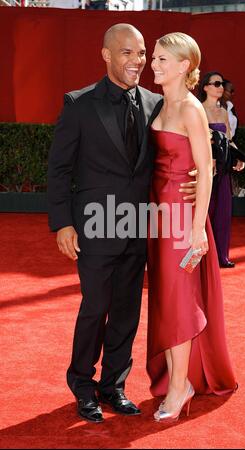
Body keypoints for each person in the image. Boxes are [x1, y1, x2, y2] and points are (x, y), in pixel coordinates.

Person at [47, 23, 195, 423]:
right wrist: (62, 223)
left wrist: (201, 171)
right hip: (94, 226)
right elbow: (59, 168)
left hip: (138, 225)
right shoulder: (79, 104)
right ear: (107, 55)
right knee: (95, 307)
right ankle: (82, 384)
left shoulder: (154, 102)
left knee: (127, 312)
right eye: (128, 53)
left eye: (142, 53)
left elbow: (186, 134)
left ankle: (114, 386)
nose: (138, 61)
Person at [147, 33, 237, 422]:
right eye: (154, 57)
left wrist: (199, 228)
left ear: (184, 66)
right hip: (158, 215)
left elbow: (207, 170)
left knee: (179, 301)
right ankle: (176, 379)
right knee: (166, 299)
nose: (154, 63)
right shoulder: (159, 104)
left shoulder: (190, 109)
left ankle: (181, 384)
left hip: (182, 219)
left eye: (163, 58)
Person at [198, 71, 245, 268]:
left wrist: (238, 157)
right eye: (216, 83)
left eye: (222, 84)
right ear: (206, 87)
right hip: (206, 168)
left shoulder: (224, 111)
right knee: (206, 211)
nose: (220, 87)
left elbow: (229, 140)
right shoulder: (198, 109)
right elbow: (198, 141)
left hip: (223, 168)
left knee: (223, 212)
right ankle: (204, 257)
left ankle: (221, 256)